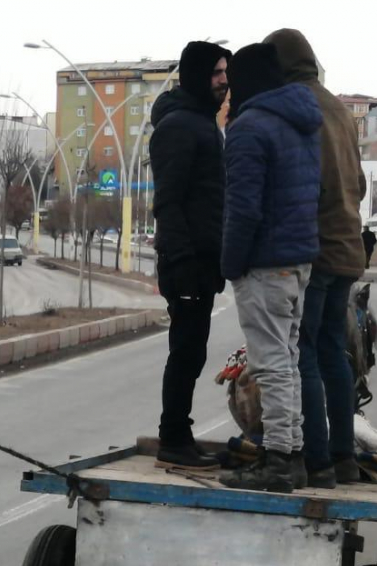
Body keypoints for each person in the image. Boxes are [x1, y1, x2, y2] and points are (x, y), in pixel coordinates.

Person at [219, 42, 323, 492]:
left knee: (271, 365)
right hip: (299, 259)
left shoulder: (249, 128)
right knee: (289, 360)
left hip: (265, 263)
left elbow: (243, 208)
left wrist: (231, 263)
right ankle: (292, 454)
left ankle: (278, 460)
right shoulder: (301, 123)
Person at [267, 29, 368, 488]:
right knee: (334, 352)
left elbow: (302, 182)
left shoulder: (294, 108)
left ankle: (318, 461)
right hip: (349, 248)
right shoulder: (341, 110)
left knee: (301, 351)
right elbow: (359, 185)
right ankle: (344, 457)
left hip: (315, 248)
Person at [149, 40, 232, 469]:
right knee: (185, 350)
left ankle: (180, 434)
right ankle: (174, 439)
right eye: (217, 73)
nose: (224, 81)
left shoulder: (202, 123)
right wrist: (181, 262)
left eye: (225, 73)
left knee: (193, 349)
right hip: (187, 262)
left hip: (202, 260)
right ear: (199, 76)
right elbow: (169, 201)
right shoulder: (181, 126)